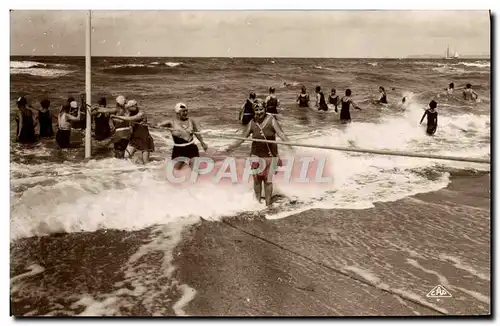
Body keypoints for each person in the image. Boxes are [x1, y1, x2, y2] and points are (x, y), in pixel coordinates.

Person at [223, 101, 293, 206]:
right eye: (256, 110)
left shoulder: (271, 120)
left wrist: (290, 146)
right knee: (257, 179)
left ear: (265, 109)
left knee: (268, 180)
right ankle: (258, 202)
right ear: (254, 111)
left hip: (270, 154)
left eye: (261, 109)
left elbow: (281, 134)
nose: (259, 112)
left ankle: (268, 204)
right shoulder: (252, 123)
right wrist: (230, 148)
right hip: (256, 155)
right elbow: (241, 138)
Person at [157, 102, 209, 170]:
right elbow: (158, 124)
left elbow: (196, 133)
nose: (185, 113)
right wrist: (157, 125)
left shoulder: (191, 121)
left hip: (191, 148)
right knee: (174, 171)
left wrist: (202, 143)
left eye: (186, 111)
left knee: (195, 169)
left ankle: (197, 179)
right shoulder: (171, 122)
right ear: (177, 112)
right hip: (179, 150)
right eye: (183, 111)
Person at [110, 100, 155, 164]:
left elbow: (131, 119)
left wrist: (116, 116)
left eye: (129, 107)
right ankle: (133, 170)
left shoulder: (141, 113)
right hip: (134, 138)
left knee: (146, 162)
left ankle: (147, 172)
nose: (128, 109)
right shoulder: (131, 112)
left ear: (135, 106)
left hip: (144, 138)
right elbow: (124, 120)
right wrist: (115, 119)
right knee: (126, 157)